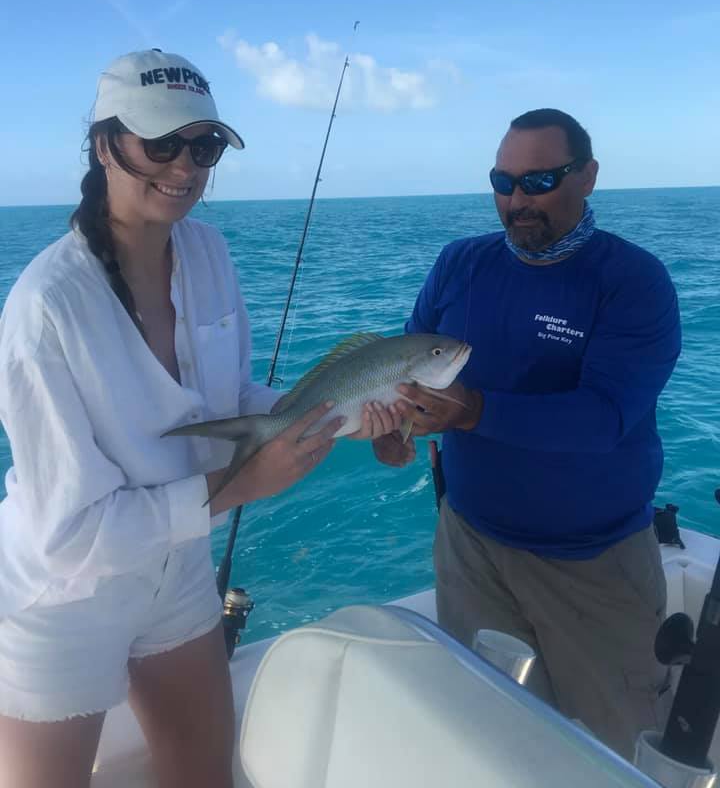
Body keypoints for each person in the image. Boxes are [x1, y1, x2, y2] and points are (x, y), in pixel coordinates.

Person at [0, 49, 399, 788]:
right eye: (161, 143)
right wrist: (237, 491)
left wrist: (331, 413)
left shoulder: (208, 250)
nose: (184, 165)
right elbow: (70, 535)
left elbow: (231, 401)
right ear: (103, 145)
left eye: (204, 144)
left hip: (177, 573)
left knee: (203, 774)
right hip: (63, 597)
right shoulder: (44, 310)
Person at [374, 108, 681, 759]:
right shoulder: (460, 262)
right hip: (468, 546)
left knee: (617, 748)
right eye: (503, 181)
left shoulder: (632, 281)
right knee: (490, 735)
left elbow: (606, 416)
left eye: (539, 181)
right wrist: (395, 426)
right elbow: (407, 368)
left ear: (588, 176)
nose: (517, 201)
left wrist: (476, 410)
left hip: (594, 563)